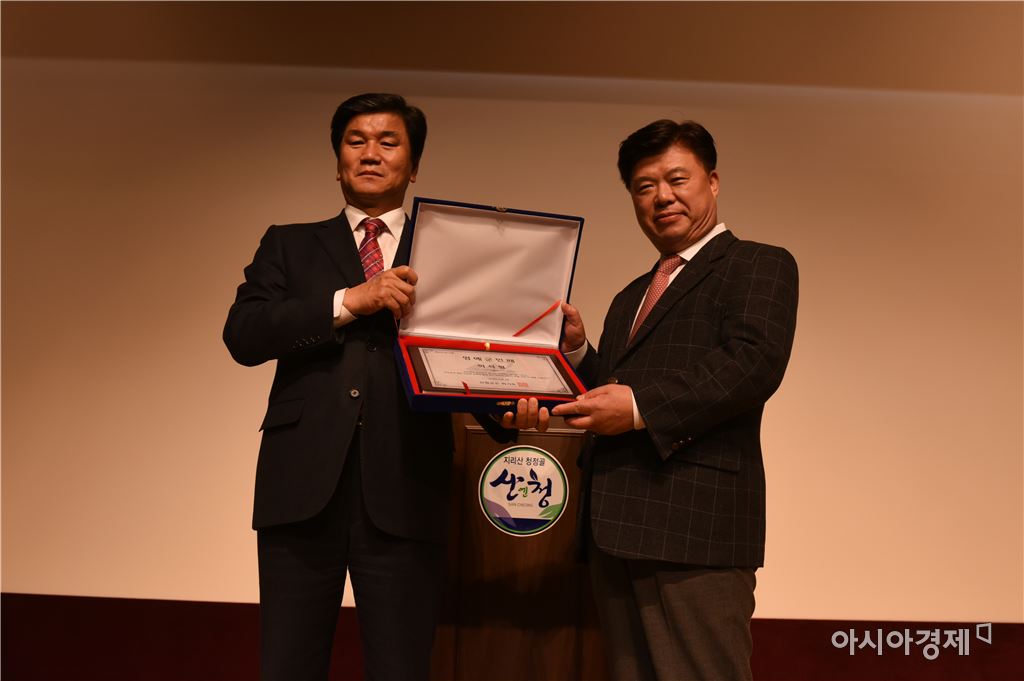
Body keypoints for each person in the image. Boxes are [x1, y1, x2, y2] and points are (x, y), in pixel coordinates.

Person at [223, 93, 529, 681]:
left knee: (401, 666)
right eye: (355, 141)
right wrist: (348, 301)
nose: (370, 153)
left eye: (388, 142)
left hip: (408, 483)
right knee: (288, 664)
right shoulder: (288, 243)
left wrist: (507, 409)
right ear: (337, 162)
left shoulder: (452, 251)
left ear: (413, 167)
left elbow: (476, 354)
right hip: (300, 485)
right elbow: (244, 334)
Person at [549, 119, 799, 680]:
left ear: (713, 182)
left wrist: (640, 409)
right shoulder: (629, 297)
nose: (662, 196)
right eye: (644, 186)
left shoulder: (760, 263)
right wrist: (580, 353)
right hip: (614, 528)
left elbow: (752, 364)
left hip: (696, 529)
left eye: (677, 179)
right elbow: (615, 387)